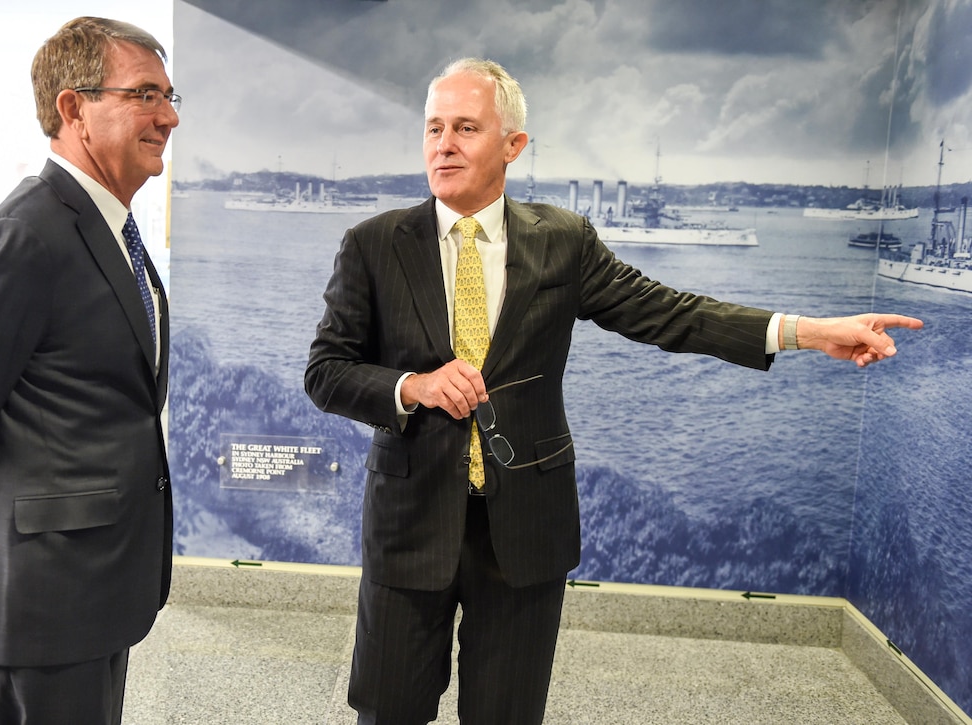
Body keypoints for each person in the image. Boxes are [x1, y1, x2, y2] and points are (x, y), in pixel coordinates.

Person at [304, 57, 923, 724]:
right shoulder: (373, 245)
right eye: (432, 128)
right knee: (388, 713)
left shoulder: (563, 243)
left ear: (513, 145)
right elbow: (327, 370)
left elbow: (672, 312)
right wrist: (413, 384)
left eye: (464, 127)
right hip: (410, 524)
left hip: (526, 530)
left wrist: (807, 331)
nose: (443, 144)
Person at [0, 17, 178, 725]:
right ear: (72, 108)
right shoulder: (27, 235)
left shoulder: (108, 229)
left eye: (170, 96)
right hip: (43, 602)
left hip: (93, 589)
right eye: (145, 94)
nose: (168, 116)